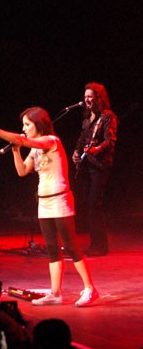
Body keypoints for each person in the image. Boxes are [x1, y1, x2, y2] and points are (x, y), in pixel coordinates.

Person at [0, 107, 99, 307]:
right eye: (23, 125)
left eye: (27, 124)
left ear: (39, 124)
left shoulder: (51, 141)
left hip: (60, 200)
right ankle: (55, 293)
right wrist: (15, 150)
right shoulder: (34, 149)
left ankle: (90, 288)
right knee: (52, 248)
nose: (24, 128)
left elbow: (23, 140)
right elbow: (22, 171)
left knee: (71, 245)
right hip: (44, 202)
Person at [72, 82, 118, 256]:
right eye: (85, 97)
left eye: (90, 96)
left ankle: (101, 246)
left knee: (94, 205)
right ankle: (95, 244)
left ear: (99, 98)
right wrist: (76, 153)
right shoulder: (87, 119)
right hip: (86, 166)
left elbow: (110, 141)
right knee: (89, 206)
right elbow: (81, 139)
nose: (87, 100)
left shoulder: (107, 117)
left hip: (100, 165)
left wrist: (96, 149)